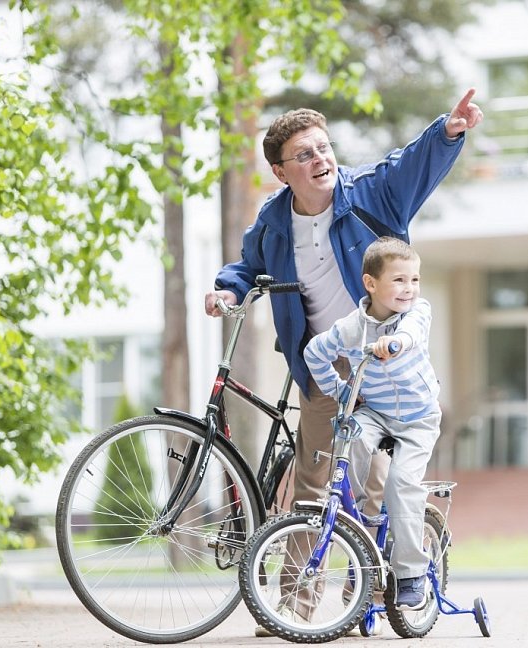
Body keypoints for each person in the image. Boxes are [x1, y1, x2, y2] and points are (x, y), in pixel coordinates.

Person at [204, 89, 482, 634]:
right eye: (304, 154)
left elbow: (410, 166)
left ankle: (371, 597)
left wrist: (447, 131)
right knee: (312, 484)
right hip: (324, 365)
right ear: (281, 172)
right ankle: (294, 607)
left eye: (324, 148)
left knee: (375, 484)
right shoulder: (273, 221)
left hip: (381, 362)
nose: (320, 159)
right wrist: (228, 290)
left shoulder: (369, 194)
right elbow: (247, 266)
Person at [304, 237, 439, 609]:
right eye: (399, 280)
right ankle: (361, 519)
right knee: (353, 440)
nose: (409, 288)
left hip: (418, 418)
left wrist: (394, 344)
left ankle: (410, 573)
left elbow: (412, 334)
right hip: (376, 412)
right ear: (371, 284)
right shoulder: (351, 328)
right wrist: (342, 391)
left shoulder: (417, 312)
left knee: (401, 484)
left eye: (414, 279)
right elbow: (314, 353)